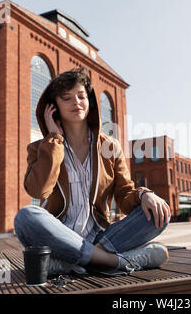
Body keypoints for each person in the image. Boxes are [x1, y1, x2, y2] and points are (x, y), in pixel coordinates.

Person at [14, 67, 171, 277]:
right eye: (67, 98)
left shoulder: (110, 147)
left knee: (159, 211)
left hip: (104, 238)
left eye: (81, 96)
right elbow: (39, 190)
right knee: (26, 217)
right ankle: (116, 262)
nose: (76, 102)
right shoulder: (40, 148)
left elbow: (125, 196)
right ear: (53, 108)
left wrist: (145, 194)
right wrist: (53, 139)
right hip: (60, 238)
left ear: (89, 101)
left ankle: (72, 263)